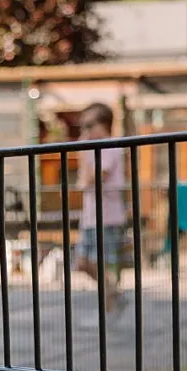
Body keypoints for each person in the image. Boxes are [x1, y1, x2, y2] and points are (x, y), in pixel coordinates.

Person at [75, 102, 129, 318]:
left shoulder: (108, 146)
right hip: (91, 216)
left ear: (103, 124)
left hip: (106, 216)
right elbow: (83, 182)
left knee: (101, 263)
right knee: (82, 262)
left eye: (89, 125)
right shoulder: (93, 149)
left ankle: (107, 313)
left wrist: (82, 154)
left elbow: (93, 178)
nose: (85, 131)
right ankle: (114, 295)